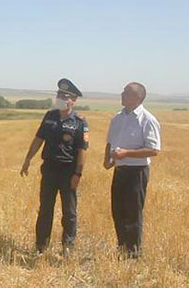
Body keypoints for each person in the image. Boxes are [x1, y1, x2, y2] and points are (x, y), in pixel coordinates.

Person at [20, 78, 89, 254]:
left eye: (64, 95)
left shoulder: (80, 122)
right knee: (45, 209)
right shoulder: (50, 116)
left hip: (68, 171)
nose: (60, 97)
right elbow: (38, 139)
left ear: (73, 100)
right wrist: (28, 159)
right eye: (59, 94)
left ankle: (68, 246)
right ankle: (41, 246)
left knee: (69, 211)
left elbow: (82, 150)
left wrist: (78, 174)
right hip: (49, 169)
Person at [104, 82, 161, 258]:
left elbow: (154, 150)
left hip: (137, 172)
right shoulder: (118, 118)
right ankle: (122, 248)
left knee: (133, 213)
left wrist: (126, 153)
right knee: (118, 211)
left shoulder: (147, 119)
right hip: (120, 171)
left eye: (126, 92)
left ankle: (133, 253)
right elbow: (110, 142)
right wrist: (108, 159)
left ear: (136, 98)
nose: (121, 94)